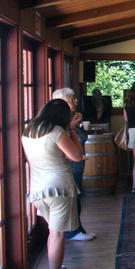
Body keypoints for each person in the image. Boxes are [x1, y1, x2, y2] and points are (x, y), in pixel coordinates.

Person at [21, 99, 84, 269]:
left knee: (52, 232)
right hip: (58, 188)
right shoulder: (57, 132)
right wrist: (72, 130)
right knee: (58, 235)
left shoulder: (28, 132)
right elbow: (76, 156)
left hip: (38, 189)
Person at [52, 88, 96, 241]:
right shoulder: (61, 123)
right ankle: (73, 231)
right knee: (73, 199)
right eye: (71, 100)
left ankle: (78, 228)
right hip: (70, 165)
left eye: (74, 99)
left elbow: (82, 137)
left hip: (78, 165)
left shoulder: (71, 119)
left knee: (77, 197)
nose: (75, 103)